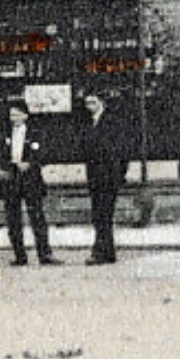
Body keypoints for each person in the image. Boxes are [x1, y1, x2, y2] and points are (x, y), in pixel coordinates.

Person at [0, 102, 55, 265]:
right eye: (11, 115)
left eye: (17, 115)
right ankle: (20, 255)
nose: (13, 118)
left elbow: (43, 152)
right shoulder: (4, 133)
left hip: (30, 178)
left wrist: (30, 163)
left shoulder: (35, 133)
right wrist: (0, 168)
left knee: (37, 216)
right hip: (11, 177)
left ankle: (44, 254)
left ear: (25, 115)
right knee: (13, 218)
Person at [77, 91, 128, 264]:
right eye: (87, 102)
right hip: (95, 175)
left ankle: (99, 251)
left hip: (108, 175)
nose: (89, 106)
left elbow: (120, 150)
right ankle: (108, 251)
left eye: (93, 102)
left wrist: (119, 174)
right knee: (100, 215)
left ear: (101, 102)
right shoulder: (89, 123)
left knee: (103, 214)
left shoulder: (111, 122)